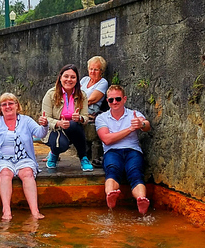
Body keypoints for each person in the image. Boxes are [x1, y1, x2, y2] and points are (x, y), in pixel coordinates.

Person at [0, 93, 49, 220]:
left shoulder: (26, 120)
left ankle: (35, 211)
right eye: (4, 104)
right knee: (5, 173)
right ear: (0, 108)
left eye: (11, 103)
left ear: (17, 105)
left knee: (27, 173)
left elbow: (40, 133)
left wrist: (44, 125)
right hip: (1, 159)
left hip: (24, 158)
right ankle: (6, 211)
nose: (8, 106)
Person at [95, 85, 152, 215]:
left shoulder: (134, 114)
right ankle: (110, 195)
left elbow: (146, 125)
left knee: (135, 172)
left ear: (124, 99)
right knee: (112, 169)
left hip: (133, 150)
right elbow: (107, 139)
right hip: (112, 150)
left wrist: (141, 124)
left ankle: (141, 199)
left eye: (118, 99)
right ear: (107, 101)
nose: (114, 102)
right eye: (111, 100)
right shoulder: (102, 118)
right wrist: (130, 129)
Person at [41, 64, 93, 172]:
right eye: (66, 76)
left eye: (73, 77)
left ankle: (83, 157)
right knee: (61, 145)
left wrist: (79, 118)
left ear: (77, 80)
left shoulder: (82, 95)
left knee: (73, 124)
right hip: (55, 129)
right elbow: (46, 118)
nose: (69, 80)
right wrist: (59, 123)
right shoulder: (51, 94)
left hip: (73, 129)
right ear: (60, 78)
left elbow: (85, 117)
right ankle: (54, 154)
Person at [79, 55, 109, 165]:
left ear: (101, 71)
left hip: (89, 110)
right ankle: (54, 151)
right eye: (91, 69)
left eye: (96, 69)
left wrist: (75, 105)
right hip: (77, 108)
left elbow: (91, 100)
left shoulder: (103, 82)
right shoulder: (84, 80)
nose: (92, 71)